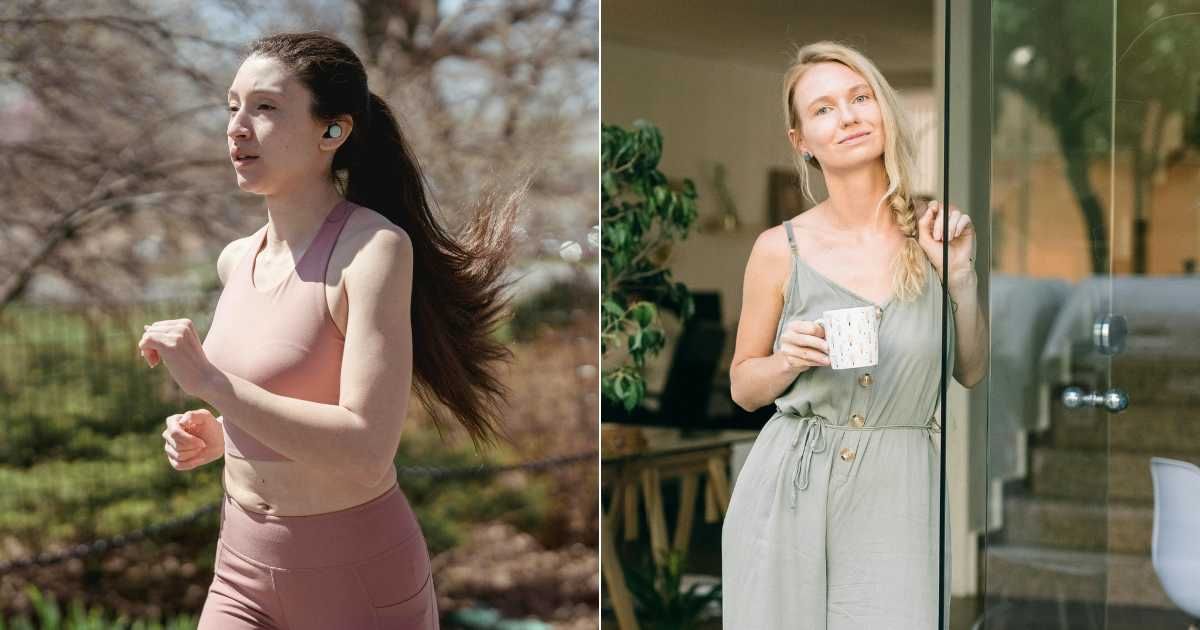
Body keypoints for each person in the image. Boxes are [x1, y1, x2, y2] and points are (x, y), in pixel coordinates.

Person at [140, 32, 522, 629]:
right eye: (232, 106)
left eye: (265, 107)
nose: (238, 127)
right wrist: (221, 435)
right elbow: (287, 399)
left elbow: (367, 450)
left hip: (355, 576)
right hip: (240, 565)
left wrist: (212, 383)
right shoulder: (235, 259)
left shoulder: (373, 250)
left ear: (332, 132)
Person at [720, 41, 988, 629]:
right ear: (801, 141)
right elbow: (744, 388)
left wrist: (961, 278)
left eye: (860, 97)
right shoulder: (778, 248)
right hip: (789, 487)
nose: (847, 117)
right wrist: (787, 361)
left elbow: (970, 369)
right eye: (823, 109)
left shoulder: (935, 231)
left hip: (900, 491)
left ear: (884, 111)